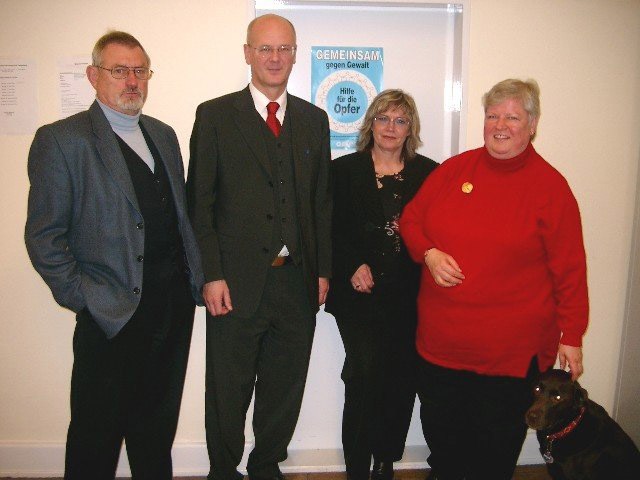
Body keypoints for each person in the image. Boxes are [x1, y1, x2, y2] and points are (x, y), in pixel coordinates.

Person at [24, 31, 204, 480]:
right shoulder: (63, 140)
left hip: (172, 311)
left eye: (140, 71)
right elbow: (44, 236)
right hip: (110, 316)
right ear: (93, 76)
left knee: (155, 431)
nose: (131, 81)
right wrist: (86, 298)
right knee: (95, 436)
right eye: (119, 70)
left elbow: (178, 217)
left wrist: (194, 283)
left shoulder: (163, 135)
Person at [399, 78, 589, 480]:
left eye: (512, 117)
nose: (500, 125)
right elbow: (411, 220)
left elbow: (570, 269)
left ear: (532, 124)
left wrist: (572, 335)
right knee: (445, 446)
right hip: (441, 347)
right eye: (492, 115)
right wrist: (429, 254)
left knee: (493, 454)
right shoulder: (455, 170)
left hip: (509, 356)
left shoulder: (550, 188)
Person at [186, 14, 331, 480]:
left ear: (294, 54)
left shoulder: (313, 120)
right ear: (247, 52)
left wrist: (322, 270)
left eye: (284, 49)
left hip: (296, 281)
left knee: (284, 387)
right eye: (265, 48)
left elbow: (321, 203)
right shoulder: (215, 115)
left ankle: (266, 465)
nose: (275, 58)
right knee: (227, 389)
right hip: (234, 283)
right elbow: (199, 204)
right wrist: (210, 273)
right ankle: (222, 471)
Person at [325, 89, 437, 480]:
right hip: (358, 295)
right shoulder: (342, 171)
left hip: (410, 297)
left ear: (411, 130)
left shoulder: (430, 174)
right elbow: (327, 230)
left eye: (400, 121)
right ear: (370, 123)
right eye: (383, 118)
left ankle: (386, 458)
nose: (391, 128)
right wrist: (349, 265)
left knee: (402, 379)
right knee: (364, 373)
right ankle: (357, 464)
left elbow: (437, 233)